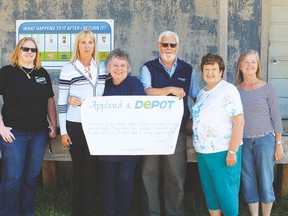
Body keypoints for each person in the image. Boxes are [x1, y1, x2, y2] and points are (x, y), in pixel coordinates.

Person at [140, 30, 200, 216]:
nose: (168, 48)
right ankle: (152, 213)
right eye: (164, 44)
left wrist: (198, 120)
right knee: (148, 174)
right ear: (159, 46)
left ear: (177, 47)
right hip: (151, 131)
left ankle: (174, 213)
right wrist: (171, 89)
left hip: (176, 133)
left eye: (172, 45)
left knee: (175, 177)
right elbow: (146, 92)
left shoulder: (187, 69)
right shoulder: (148, 67)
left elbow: (197, 96)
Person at [0, 37, 57, 216]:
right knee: (12, 177)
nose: (29, 52)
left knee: (31, 176)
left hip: (39, 133)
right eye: (26, 49)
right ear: (18, 50)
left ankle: (27, 212)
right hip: (13, 133)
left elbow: (49, 100)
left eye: (33, 50)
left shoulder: (42, 73)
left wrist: (53, 125)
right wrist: (0, 126)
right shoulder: (7, 72)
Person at [58, 30, 107, 216]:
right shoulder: (68, 68)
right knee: (79, 170)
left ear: (95, 45)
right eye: (83, 42)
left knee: (93, 170)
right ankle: (77, 211)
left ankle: (89, 210)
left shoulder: (102, 68)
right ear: (77, 45)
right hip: (75, 125)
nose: (87, 46)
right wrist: (63, 131)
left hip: (96, 127)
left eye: (90, 42)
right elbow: (62, 102)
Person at [191, 53, 244, 216]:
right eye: (206, 69)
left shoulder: (228, 90)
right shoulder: (202, 93)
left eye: (214, 69)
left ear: (221, 71)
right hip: (203, 152)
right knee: (210, 192)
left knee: (226, 193)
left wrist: (232, 151)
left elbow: (239, 122)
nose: (210, 72)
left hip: (223, 151)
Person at [235, 50, 284, 216]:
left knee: (265, 180)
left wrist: (278, 144)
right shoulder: (235, 91)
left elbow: (276, 118)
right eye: (246, 62)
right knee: (248, 181)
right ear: (240, 66)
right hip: (243, 142)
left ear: (258, 66)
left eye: (253, 62)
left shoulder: (267, 88)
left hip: (265, 141)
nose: (250, 65)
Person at [99, 48, 146, 216]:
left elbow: (140, 112)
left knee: (125, 180)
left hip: (129, 144)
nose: (119, 69)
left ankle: (124, 212)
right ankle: (110, 212)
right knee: (108, 180)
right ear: (108, 68)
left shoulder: (135, 84)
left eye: (123, 65)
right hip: (107, 143)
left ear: (129, 67)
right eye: (115, 65)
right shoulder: (102, 85)